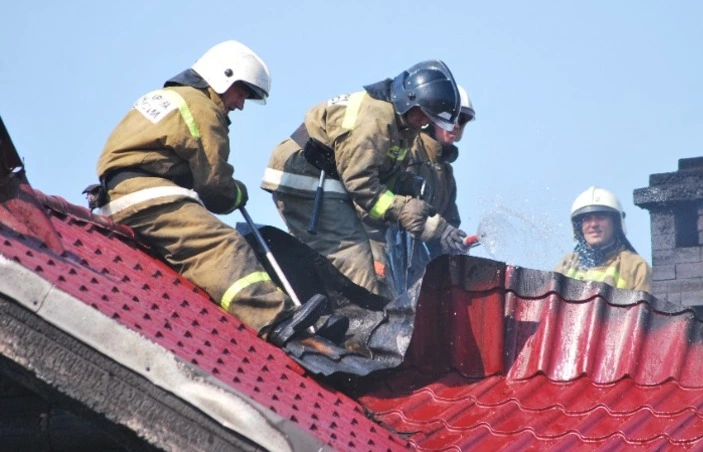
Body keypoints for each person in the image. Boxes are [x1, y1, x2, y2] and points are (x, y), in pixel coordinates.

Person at [93, 40, 327, 346]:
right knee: (224, 245)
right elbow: (214, 186)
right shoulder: (202, 108)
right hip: (148, 193)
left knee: (193, 253)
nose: (240, 104)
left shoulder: (168, 97)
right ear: (223, 76)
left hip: (122, 193)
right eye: (241, 92)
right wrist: (237, 194)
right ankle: (278, 320)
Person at [261, 60, 470, 299]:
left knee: (352, 258)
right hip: (307, 176)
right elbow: (361, 183)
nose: (425, 124)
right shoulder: (377, 119)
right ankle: (358, 329)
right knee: (355, 259)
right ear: (412, 100)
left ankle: (337, 312)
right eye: (425, 116)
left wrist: (408, 185)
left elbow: (381, 171)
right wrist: (412, 215)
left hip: (328, 178)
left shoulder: (400, 121)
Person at [384, 85, 476, 294]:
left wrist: (457, 242)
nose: (456, 125)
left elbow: (449, 223)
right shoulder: (410, 150)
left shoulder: (445, 173)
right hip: (388, 254)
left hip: (416, 271)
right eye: (450, 117)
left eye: (462, 120)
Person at [554, 186, 652, 292]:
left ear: (615, 223)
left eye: (601, 217)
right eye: (586, 219)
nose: (594, 224)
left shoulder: (635, 267)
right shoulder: (567, 264)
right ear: (579, 226)